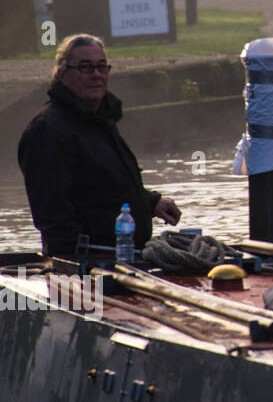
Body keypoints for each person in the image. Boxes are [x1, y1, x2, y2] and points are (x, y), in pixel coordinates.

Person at [17, 34, 181, 259]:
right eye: (85, 68)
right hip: (93, 271)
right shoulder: (48, 131)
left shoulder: (100, 120)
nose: (96, 75)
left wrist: (150, 202)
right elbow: (54, 217)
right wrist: (77, 273)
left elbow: (106, 185)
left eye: (101, 67)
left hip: (126, 259)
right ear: (62, 73)